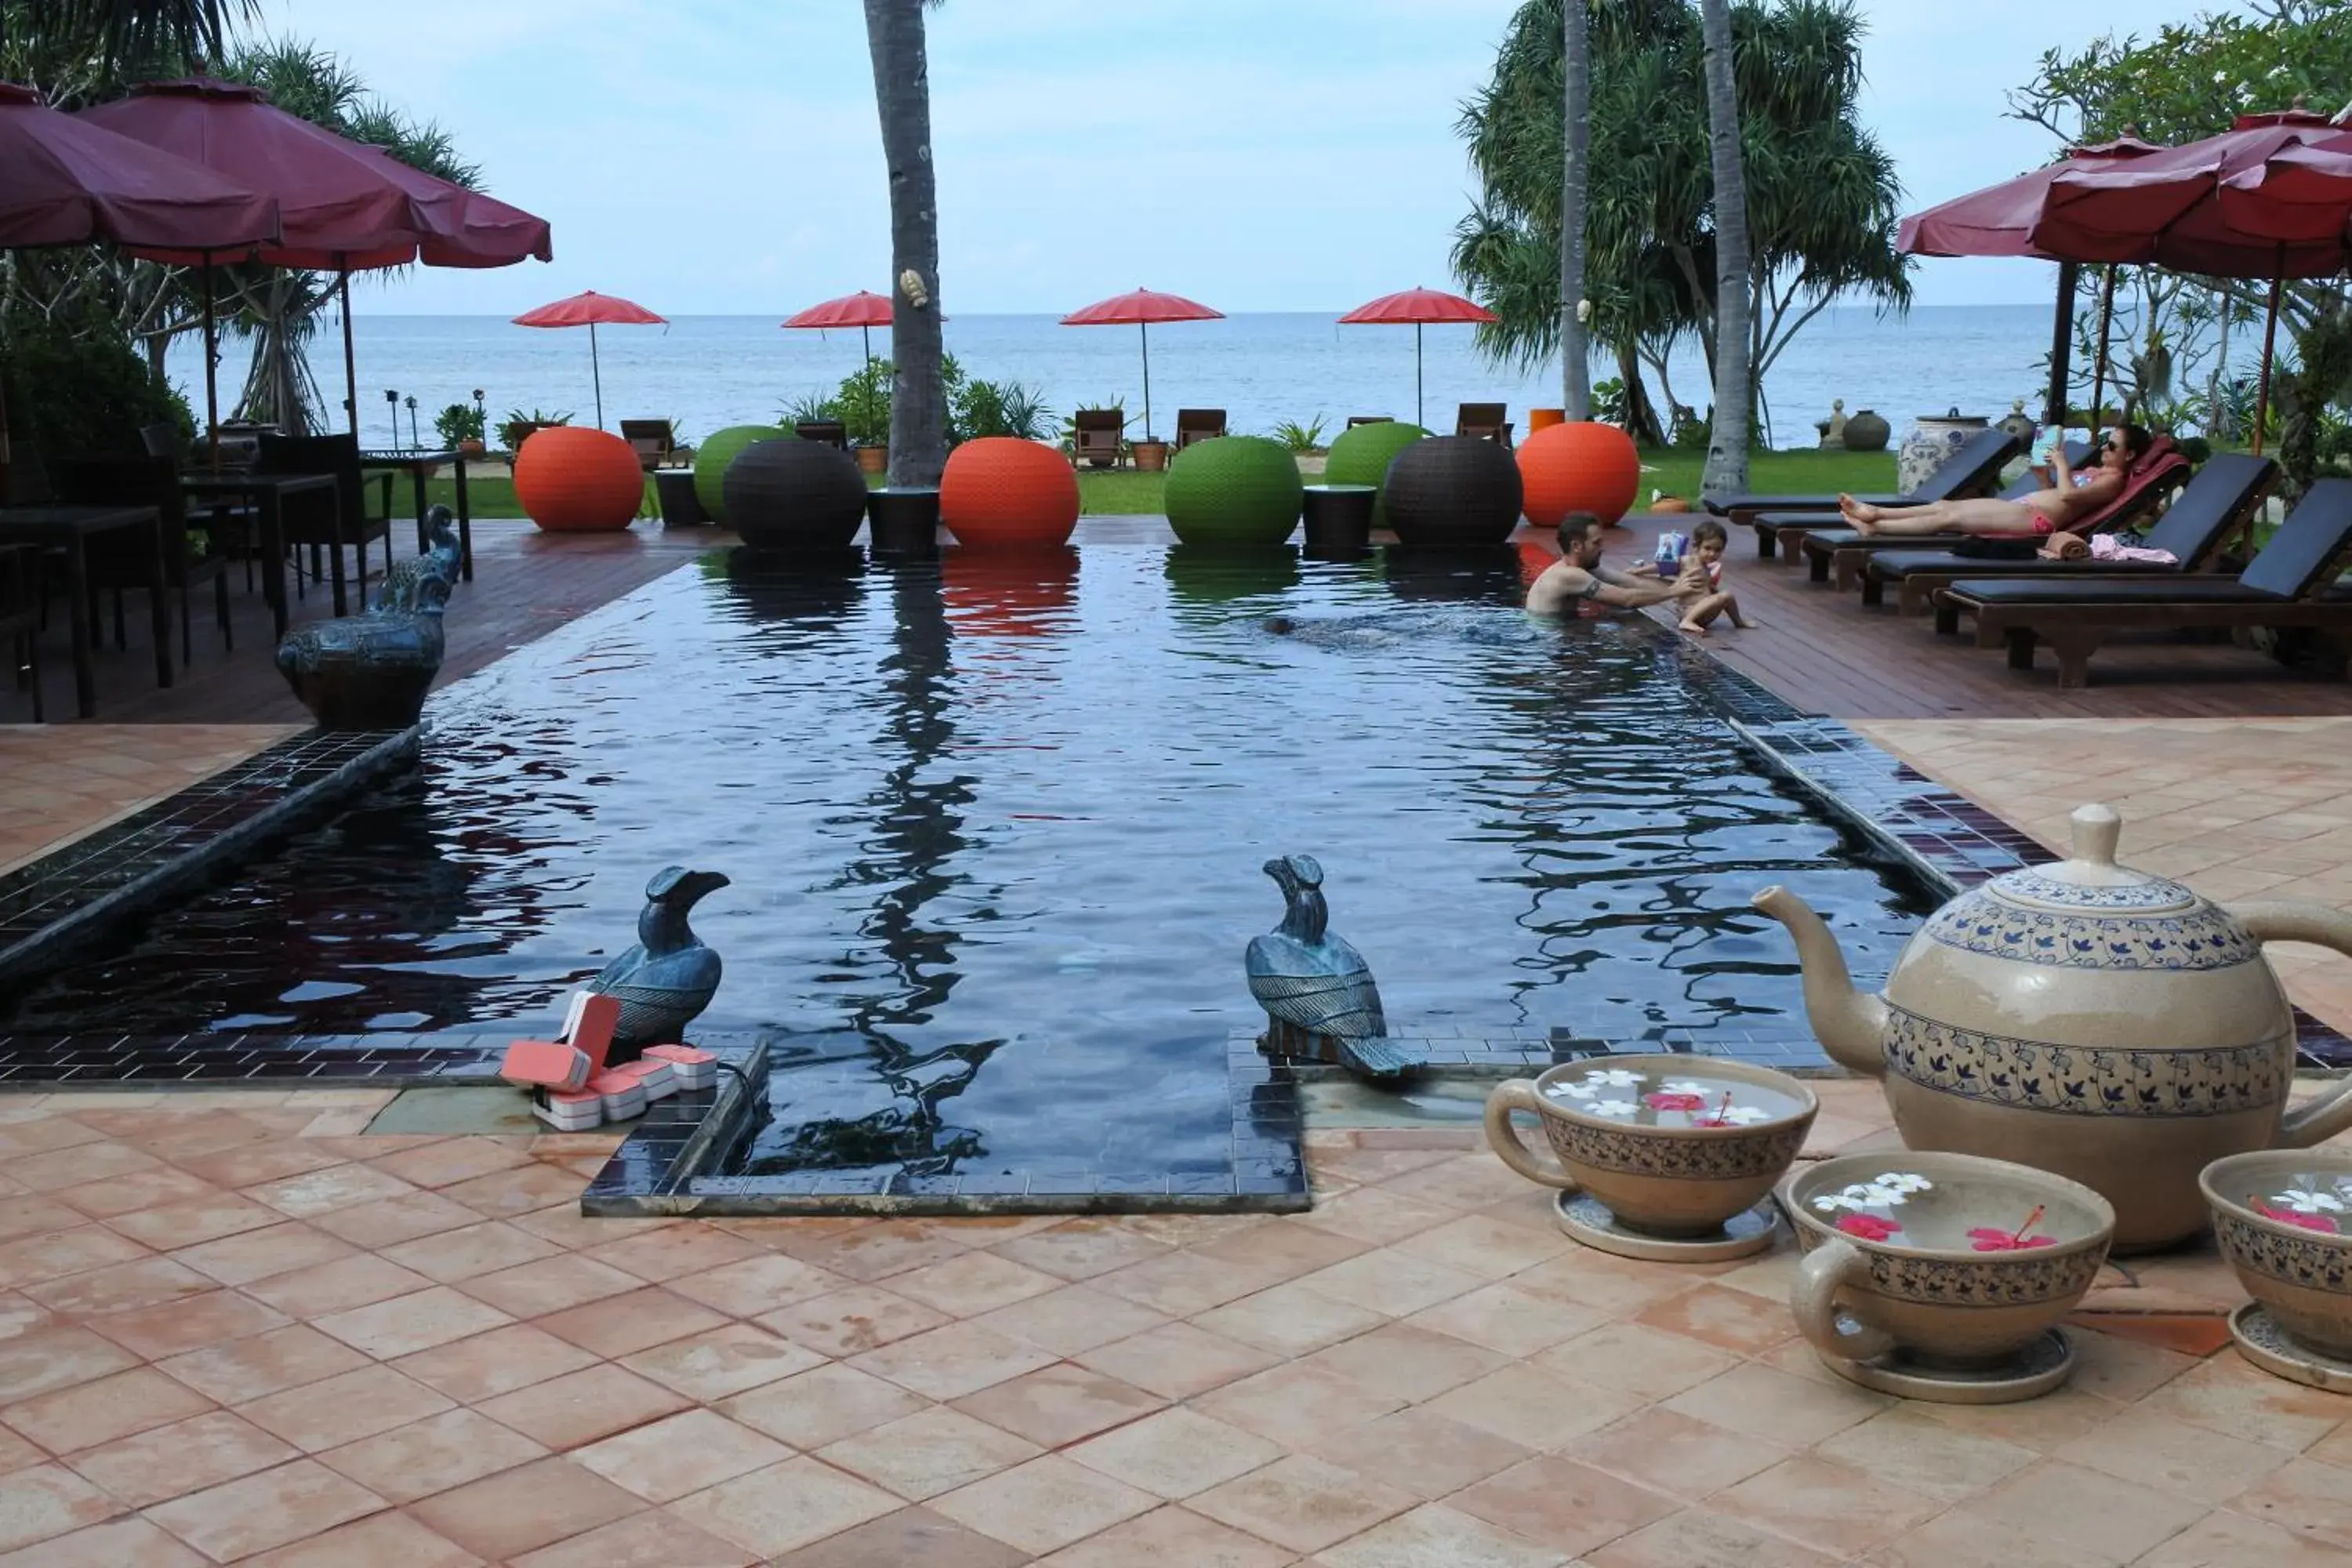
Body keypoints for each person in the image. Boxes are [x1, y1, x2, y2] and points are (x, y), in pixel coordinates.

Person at [1838, 424, 2152, 537]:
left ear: (2129, 455)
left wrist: (2062, 464)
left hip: (2035, 520)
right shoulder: (2097, 474)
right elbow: (2063, 497)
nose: (2105, 449)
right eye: (2107, 442)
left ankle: (1875, 524)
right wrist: (2044, 478)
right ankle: (1875, 514)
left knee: (1950, 519)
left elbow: (2069, 499)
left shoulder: (2113, 482)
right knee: (1946, 505)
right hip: (2028, 507)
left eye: (2113, 446)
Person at [1526, 512, 1688, 616]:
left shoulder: (1586, 569)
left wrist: (1690, 587)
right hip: (1547, 647)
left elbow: (1631, 582)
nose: (1602, 548)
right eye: (1596, 543)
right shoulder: (1569, 575)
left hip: (1558, 635)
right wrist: (1675, 591)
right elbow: (1627, 599)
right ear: (1576, 546)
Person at [1671, 518, 1751, 636]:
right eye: (1707, 548)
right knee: (1725, 595)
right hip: (1687, 611)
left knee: (1727, 597)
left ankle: (1738, 622)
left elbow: (1705, 589)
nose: (1713, 554)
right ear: (1696, 546)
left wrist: (1713, 592)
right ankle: (1687, 621)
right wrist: (1638, 571)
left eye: (1718, 550)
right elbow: (1660, 566)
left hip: (1703, 616)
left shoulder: (1706, 568)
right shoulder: (1688, 561)